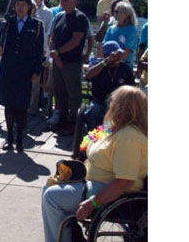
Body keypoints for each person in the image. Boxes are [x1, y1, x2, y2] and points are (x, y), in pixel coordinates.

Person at [41, 85, 147, 242]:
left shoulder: (128, 137)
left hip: (116, 191)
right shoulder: (113, 128)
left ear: (122, 107)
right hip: (96, 182)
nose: (109, 105)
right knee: (49, 187)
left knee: (53, 196)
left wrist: (92, 202)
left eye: (113, 102)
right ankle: (68, 235)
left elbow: (125, 181)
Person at [0, 0, 44, 152]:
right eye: (17, 5)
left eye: (23, 5)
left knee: (22, 107)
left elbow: (38, 50)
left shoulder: (36, 25)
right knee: (9, 105)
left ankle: (20, 140)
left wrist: (37, 70)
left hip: (25, 70)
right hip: (8, 69)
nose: (20, 8)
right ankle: (9, 137)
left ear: (29, 7)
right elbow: (0, 41)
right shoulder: (7, 22)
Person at [49, 0, 90, 135]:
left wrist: (59, 52)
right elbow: (52, 37)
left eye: (66, 0)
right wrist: (56, 55)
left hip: (71, 62)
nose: (63, 3)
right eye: (61, 0)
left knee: (73, 93)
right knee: (58, 91)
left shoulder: (80, 18)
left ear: (74, 1)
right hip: (57, 61)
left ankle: (74, 123)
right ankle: (62, 119)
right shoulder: (60, 16)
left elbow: (76, 40)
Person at [84, 41, 135, 130]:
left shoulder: (125, 68)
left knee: (127, 114)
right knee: (95, 110)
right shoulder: (98, 64)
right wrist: (106, 62)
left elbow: (131, 87)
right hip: (99, 101)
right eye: (115, 55)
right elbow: (88, 76)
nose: (118, 57)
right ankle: (92, 136)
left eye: (119, 54)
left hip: (118, 103)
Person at [29, 0, 54, 115]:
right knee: (32, 82)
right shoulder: (27, 12)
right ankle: (31, 107)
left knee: (45, 83)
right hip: (30, 54)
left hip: (44, 53)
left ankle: (46, 107)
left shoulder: (48, 13)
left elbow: (49, 35)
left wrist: (47, 54)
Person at [103, 1, 138, 69]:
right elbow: (104, 47)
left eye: (117, 11)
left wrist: (114, 61)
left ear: (126, 15)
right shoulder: (111, 28)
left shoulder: (131, 31)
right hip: (108, 63)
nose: (114, 13)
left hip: (123, 65)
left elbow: (126, 51)